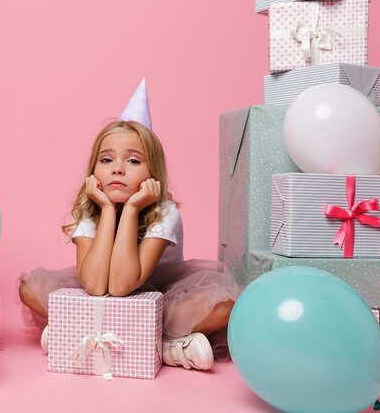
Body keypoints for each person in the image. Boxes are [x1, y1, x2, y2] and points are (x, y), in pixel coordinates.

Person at [18, 79, 241, 371]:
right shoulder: (91, 208)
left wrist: (134, 208)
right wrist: (108, 209)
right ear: (94, 170)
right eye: (107, 159)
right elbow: (97, 286)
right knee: (30, 288)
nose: (118, 169)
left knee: (225, 304)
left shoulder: (165, 211)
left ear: (153, 173)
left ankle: (145, 342)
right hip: (105, 292)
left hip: (161, 293)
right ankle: (161, 345)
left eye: (133, 161)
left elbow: (123, 285)